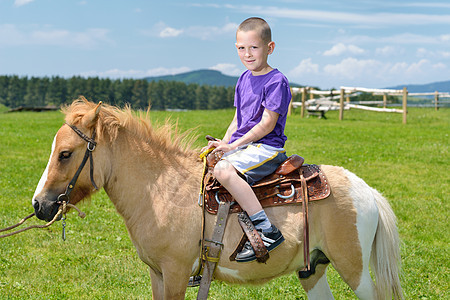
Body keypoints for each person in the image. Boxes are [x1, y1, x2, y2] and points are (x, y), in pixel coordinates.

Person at [205, 17, 292, 263]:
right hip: (244, 146)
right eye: (242, 48)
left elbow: (267, 123)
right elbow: (238, 119)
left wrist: (234, 146)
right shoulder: (243, 78)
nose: (248, 54)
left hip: (266, 147)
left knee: (223, 170)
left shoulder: (276, 81)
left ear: (270, 48)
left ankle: (266, 230)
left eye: (254, 47)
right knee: (208, 165)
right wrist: (223, 144)